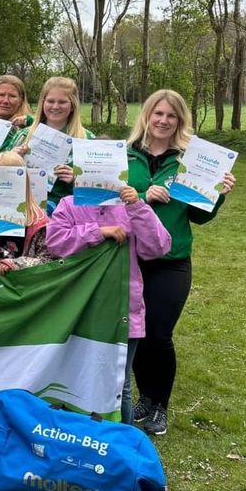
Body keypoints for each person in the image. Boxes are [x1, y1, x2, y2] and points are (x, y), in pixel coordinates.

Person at [124, 90, 236, 435]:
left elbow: (199, 217)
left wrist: (217, 195)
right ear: (147, 115)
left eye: (171, 116)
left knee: (159, 333)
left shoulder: (190, 160)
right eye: (158, 113)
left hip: (171, 260)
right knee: (136, 333)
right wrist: (144, 196)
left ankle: (160, 405)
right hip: (130, 256)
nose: (163, 121)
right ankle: (144, 396)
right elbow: (109, 201)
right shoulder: (126, 156)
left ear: (180, 121)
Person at [47, 180, 171, 423]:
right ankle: (78, 439)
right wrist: (98, 232)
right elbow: (55, 243)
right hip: (78, 309)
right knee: (72, 377)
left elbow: (158, 247)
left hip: (122, 308)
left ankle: (120, 449)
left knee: (118, 385)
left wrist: (137, 206)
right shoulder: (69, 204)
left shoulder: (131, 207)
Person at [11, 76, 94, 213]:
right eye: (50, 101)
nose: (55, 106)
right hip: (23, 212)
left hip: (67, 218)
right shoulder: (23, 136)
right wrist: (12, 159)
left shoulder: (87, 140)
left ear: (72, 105)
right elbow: (0, 175)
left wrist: (77, 179)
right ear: (43, 103)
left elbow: (101, 189)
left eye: (62, 102)